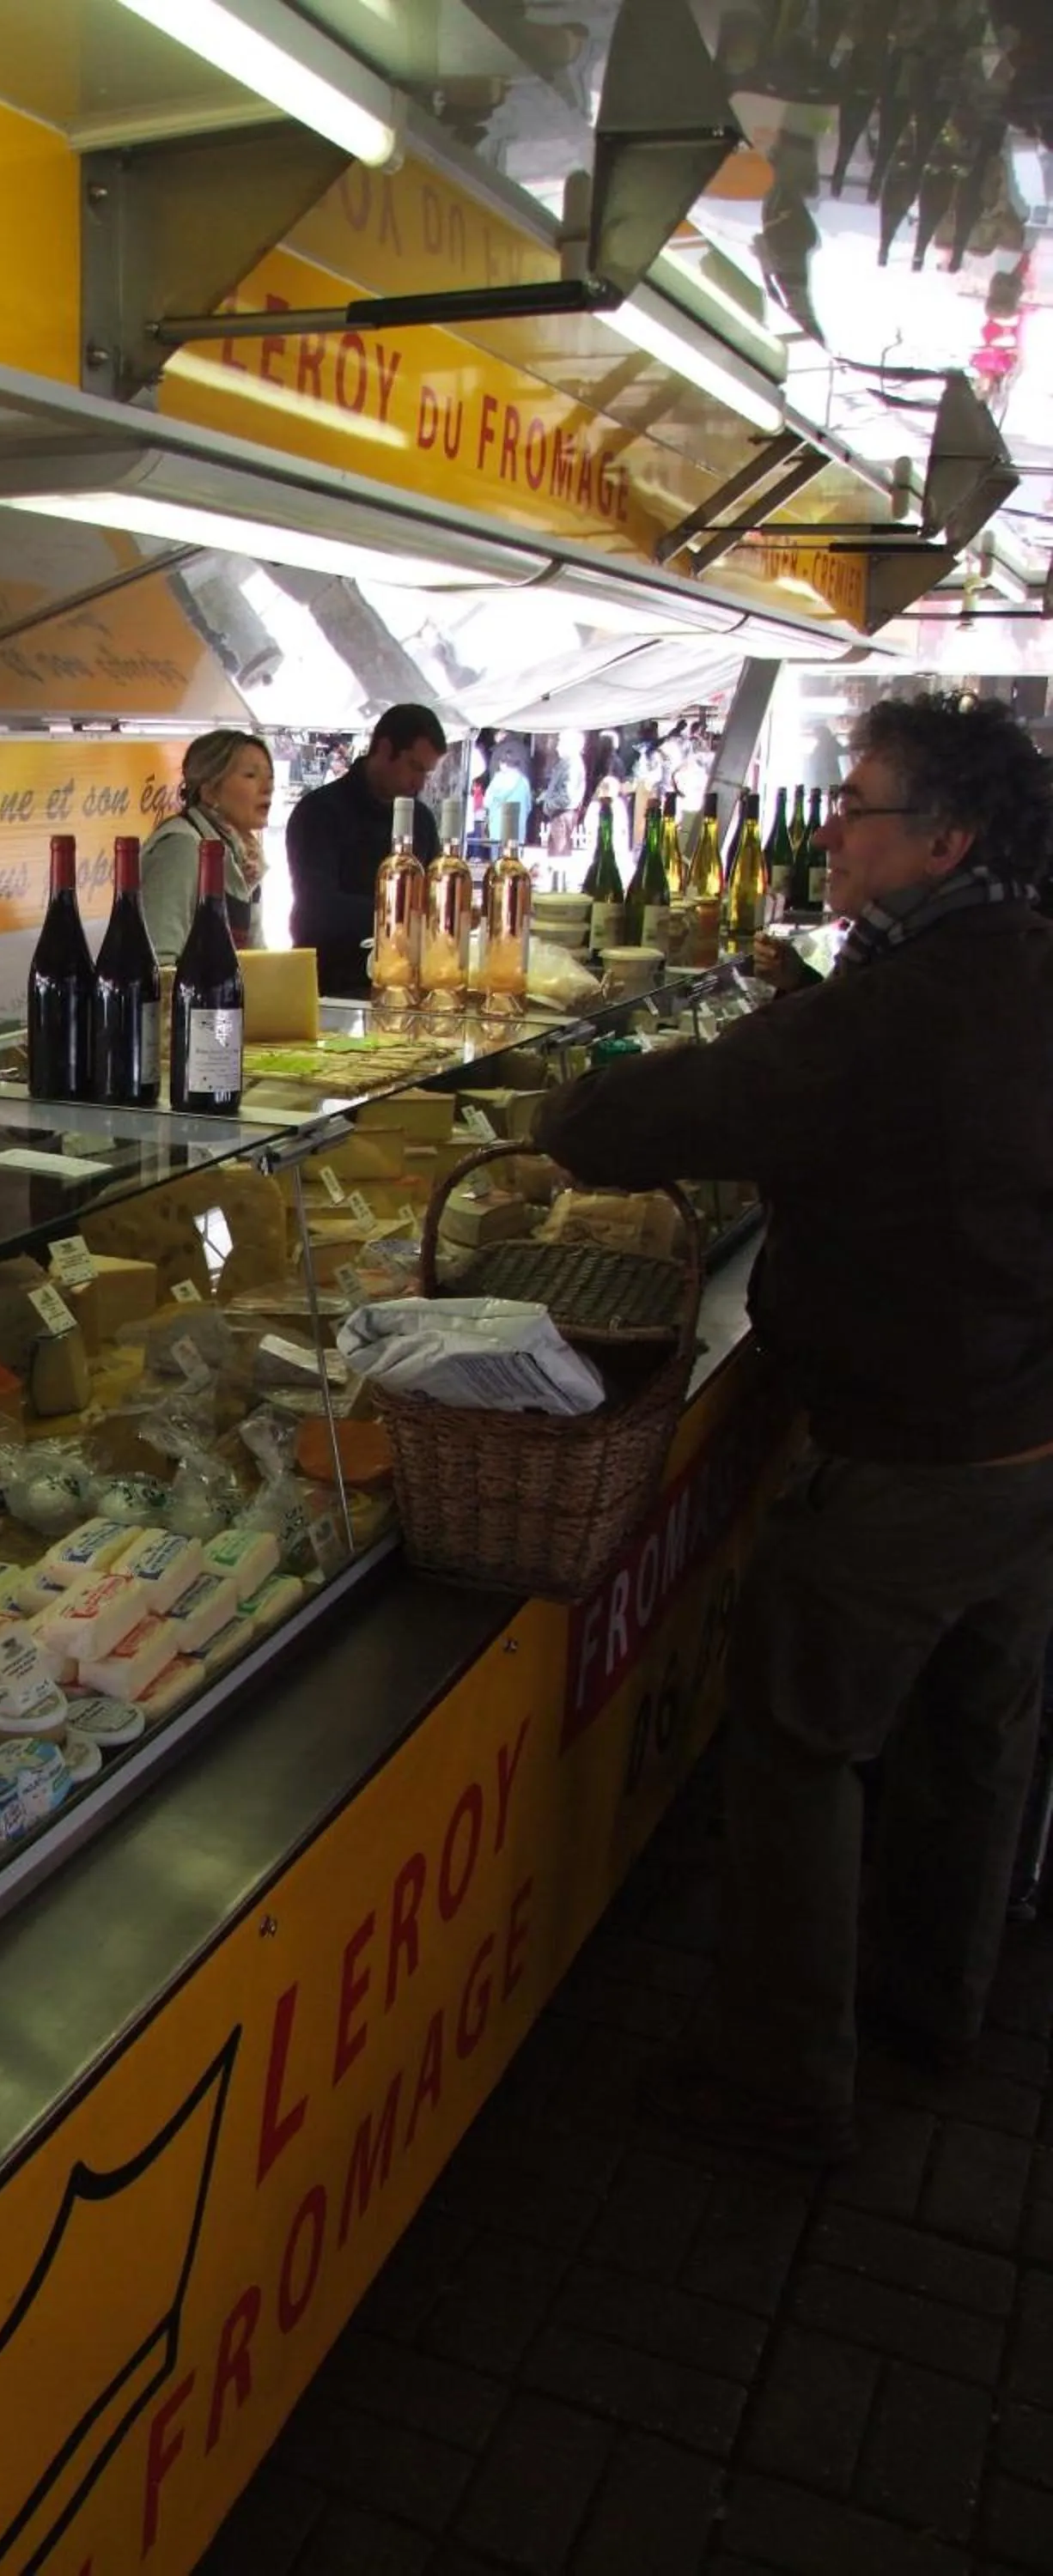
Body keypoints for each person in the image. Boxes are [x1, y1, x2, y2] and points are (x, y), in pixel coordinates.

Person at [534, 694, 1053, 2166]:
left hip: (907, 1450)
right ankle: (931, 2011)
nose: (835, 826)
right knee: (972, 1736)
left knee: (800, 1748)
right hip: (1024, 1437)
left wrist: (569, 1109)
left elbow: (651, 1119)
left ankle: (779, 2082)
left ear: (943, 838)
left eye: (863, 804)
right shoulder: (1019, 964)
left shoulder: (902, 1008)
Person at [284, 703, 448, 996]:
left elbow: (433, 899)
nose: (420, 783)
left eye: (427, 773)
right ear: (385, 749)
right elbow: (317, 909)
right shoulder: (320, 813)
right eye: (415, 767)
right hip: (328, 990)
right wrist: (403, 915)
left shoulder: (421, 820)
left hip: (404, 988)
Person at [137, 729, 271, 960]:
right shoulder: (181, 848)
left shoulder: (246, 858)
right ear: (209, 791)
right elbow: (159, 960)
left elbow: (256, 957)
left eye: (270, 777)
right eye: (251, 775)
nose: (267, 787)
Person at [537, 729, 586, 859]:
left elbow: (567, 797)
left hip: (562, 816)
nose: (557, 747)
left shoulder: (572, 764)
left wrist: (549, 805)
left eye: (561, 743)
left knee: (559, 857)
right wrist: (546, 796)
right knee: (556, 853)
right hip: (560, 815)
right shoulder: (567, 763)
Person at [484, 739, 534, 849]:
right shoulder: (524, 781)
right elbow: (529, 806)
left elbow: (487, 802)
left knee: (497, 858)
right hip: (516, 829)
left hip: (498, 828)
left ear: (503, 763)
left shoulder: (498, 780)